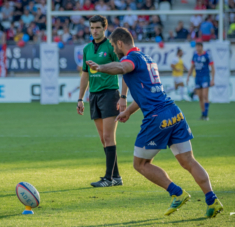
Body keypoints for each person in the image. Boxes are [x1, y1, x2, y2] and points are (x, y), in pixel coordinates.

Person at [86, 27, 223, 218]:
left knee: (140, 164)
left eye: (113, 46)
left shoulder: (130, 58)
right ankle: (212, 200)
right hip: (174, 112)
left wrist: (100, 67)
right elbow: (147, 94)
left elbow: (122, 68)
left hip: (156, 118)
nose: (114, 51)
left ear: (119, 43)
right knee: (188, 161)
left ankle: (177, 193)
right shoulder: (147, 58)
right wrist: (129, 111)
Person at [77, 15, 128, 187]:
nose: (94, 31)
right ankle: (116, 177)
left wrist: (122, 97)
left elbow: (124, 70)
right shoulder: (87, 49)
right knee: (102, 138)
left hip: (109, 94)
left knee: (108, 136)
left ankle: (108, 178)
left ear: (104, 28)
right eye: (92, 28)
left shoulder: (111, 47)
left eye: (98, 27)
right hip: (94, 95)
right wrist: (80, 98)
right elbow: (85, 74)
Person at [186, 42, 215, 120]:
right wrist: (188, 76)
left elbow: (212, 67)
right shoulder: (195, 55)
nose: (197, 48)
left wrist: (213, 79)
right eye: (196, 47)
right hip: (197, 77)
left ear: (202, 47)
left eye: (199, 47)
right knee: (200, 97)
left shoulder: (207, 55)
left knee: (205, 95)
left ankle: (206, 115)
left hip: (205, 77)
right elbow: (192, 67)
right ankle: (203, 114)